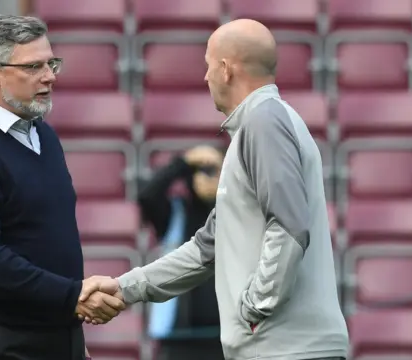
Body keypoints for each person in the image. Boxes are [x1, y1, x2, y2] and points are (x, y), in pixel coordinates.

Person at [78, 19, 349, 360]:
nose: (205, 78)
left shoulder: (263, 122)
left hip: (286, 351)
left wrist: (253, 310)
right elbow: (206, 249)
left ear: (225, 70)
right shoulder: (258, 126)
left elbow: (289, 227)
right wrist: (124, 287)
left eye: (208, 66)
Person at [0, 15, 125, 360]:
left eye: (52, 63)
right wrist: (72, 295)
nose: (50, 76)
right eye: (34, 66)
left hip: (58, 331)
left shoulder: (44, 137)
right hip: (2, 340)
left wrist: (70, 329)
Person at [139, 145, 225, 360]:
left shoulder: (238, 213)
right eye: (202, 170)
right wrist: (184, 163)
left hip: (227, 336)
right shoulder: (175, 214)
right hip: (179, 338)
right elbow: (148, 195)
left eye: (215, 171)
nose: (209, 177)